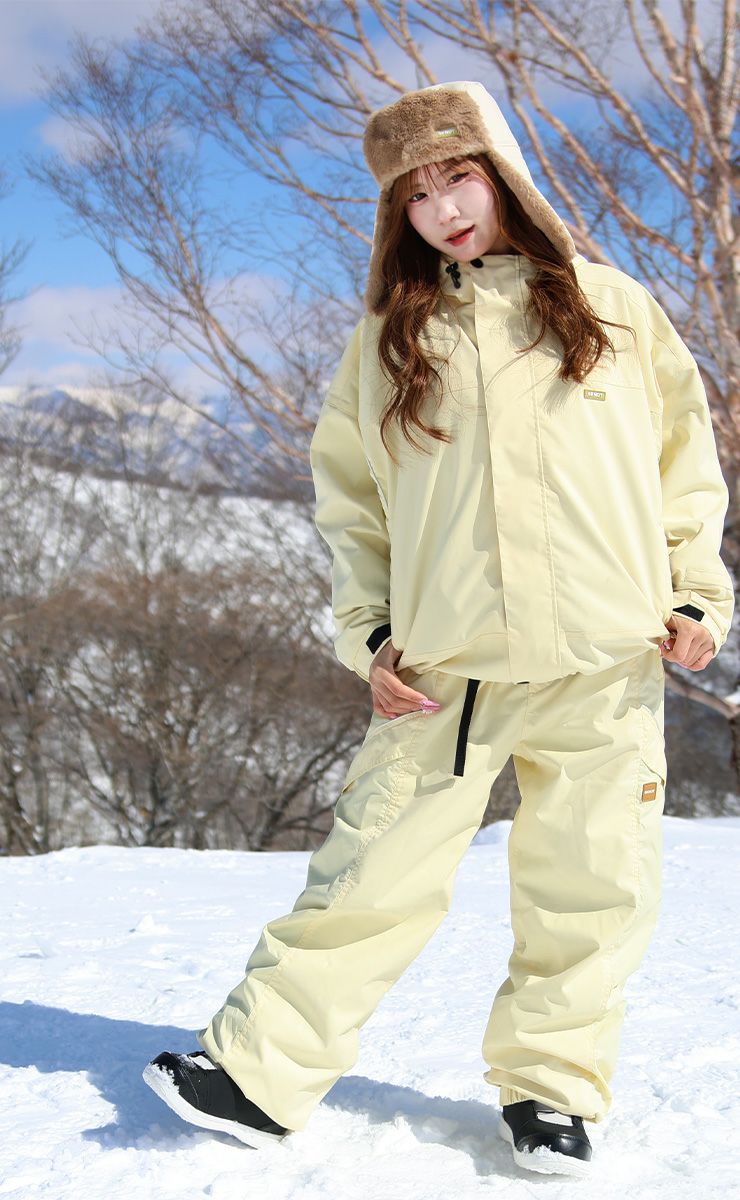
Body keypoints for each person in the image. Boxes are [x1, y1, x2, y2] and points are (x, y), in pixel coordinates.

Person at [143, 81, 734, 1176]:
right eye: (415, 194)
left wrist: (695, 596)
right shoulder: (389, 336)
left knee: (592, 885)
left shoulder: (613, 308)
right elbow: (350, 504)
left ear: (505, 176)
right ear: (396, 214)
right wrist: (369, 636)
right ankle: (258, 1076)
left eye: (459, 177)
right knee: (370, 874)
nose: (443, 208)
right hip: (444, 669)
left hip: (607, 657)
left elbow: (682, 468)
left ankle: (552, 1095)